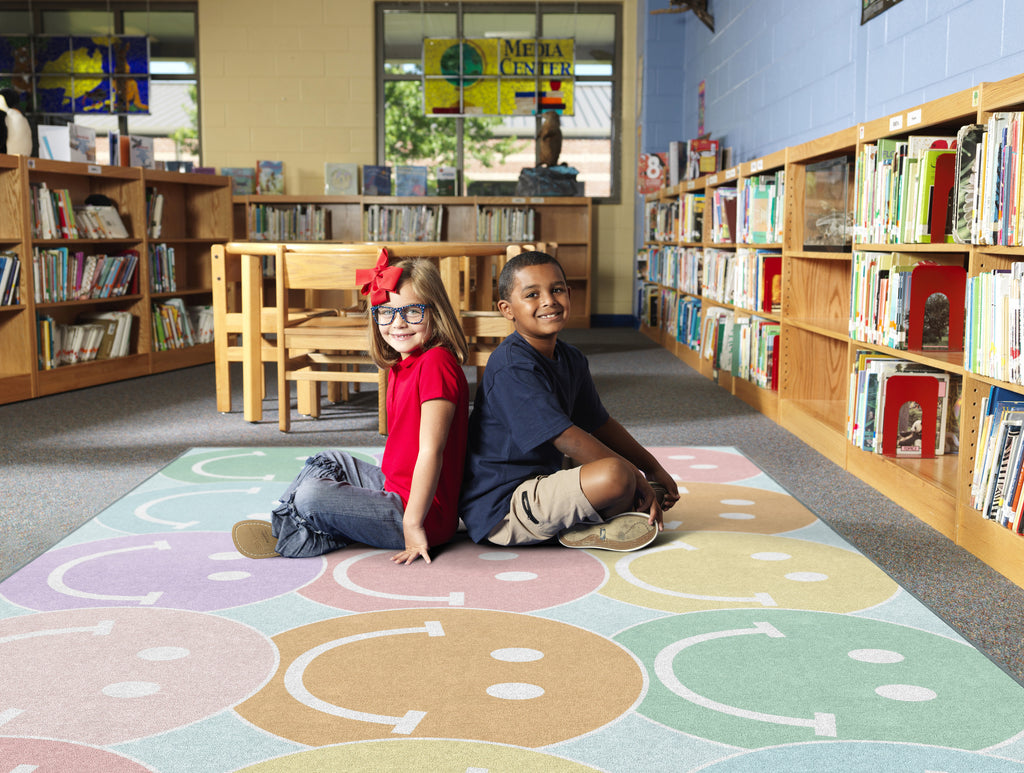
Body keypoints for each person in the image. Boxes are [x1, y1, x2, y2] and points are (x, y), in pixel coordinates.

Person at [231, 252, 470, 566]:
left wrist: (412, 524)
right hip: (394, 487)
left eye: (412, 311)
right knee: (328, 460)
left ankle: (302, 532)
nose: (397, 323)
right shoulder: (404, 364)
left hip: (422, 515)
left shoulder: (436, 363)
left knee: (311, 496)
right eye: (385, 312)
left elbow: (431, 452)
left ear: (435, 313)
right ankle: (300, 524)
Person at [459, 250, 680, 552]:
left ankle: (606, 511)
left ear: (570, 294)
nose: (548, 300)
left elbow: (600, 423)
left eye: (557, 289)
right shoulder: (511, 365)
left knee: (623, 476)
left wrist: (651, 468)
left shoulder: (571, 357)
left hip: (545, 477)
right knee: (616, 474)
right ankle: (590, 524)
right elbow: (565, 437)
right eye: (532, 294)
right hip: (503, 507)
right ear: (507, 309)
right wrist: (634, 476)